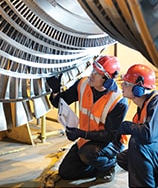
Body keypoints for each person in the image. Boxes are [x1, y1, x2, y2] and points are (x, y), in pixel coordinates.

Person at [46, 55, 129, 183]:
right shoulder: (83, 84)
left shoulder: (118, 101)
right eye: (93, 70)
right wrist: (56, 91)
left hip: (111, 143)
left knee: (88, 153)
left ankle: (111, 164)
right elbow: (60, 102)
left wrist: (81, 133)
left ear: (106, 80)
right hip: (87, 139)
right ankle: (97, 166)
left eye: (97, 73)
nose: (92, 74)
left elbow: (109, 136)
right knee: (66, 172)